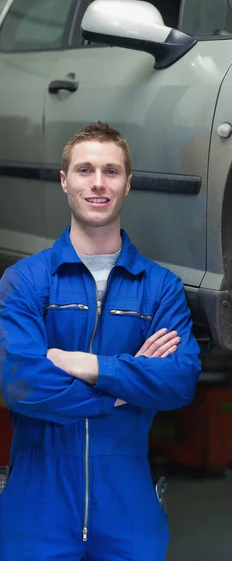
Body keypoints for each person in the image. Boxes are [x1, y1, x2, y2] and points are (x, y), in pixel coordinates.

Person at [0, 121, 201, 561]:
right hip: (37, 505)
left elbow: (180, 380)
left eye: (111, 171)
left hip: (127, 504)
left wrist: (87, 365)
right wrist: (124, 390)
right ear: (64, 181)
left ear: (128, 184)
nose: (97, 183)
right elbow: (21, 384)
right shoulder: (26, 281)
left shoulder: (160, 286)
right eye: (85, 169)